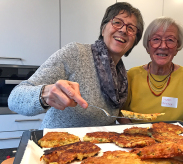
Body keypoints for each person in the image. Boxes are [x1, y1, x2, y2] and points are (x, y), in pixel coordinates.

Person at [8, 2, 144, 129]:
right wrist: (44, 94)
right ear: (103, 29)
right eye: (117, 22)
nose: (123, 30)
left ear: (134, 41)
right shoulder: (76, 53)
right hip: (56, 147)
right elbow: (15, 99)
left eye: (131, 28)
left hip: (98, 150)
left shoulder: (122, 76)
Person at [118, 16, 183, 124]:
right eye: (156, 39)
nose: (163, 46)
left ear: (177, 47)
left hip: (177, 138)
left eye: (170, 40)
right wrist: (135, 133)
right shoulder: (132, 75)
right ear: (148, 46)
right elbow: (120, 113)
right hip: (138, 137)